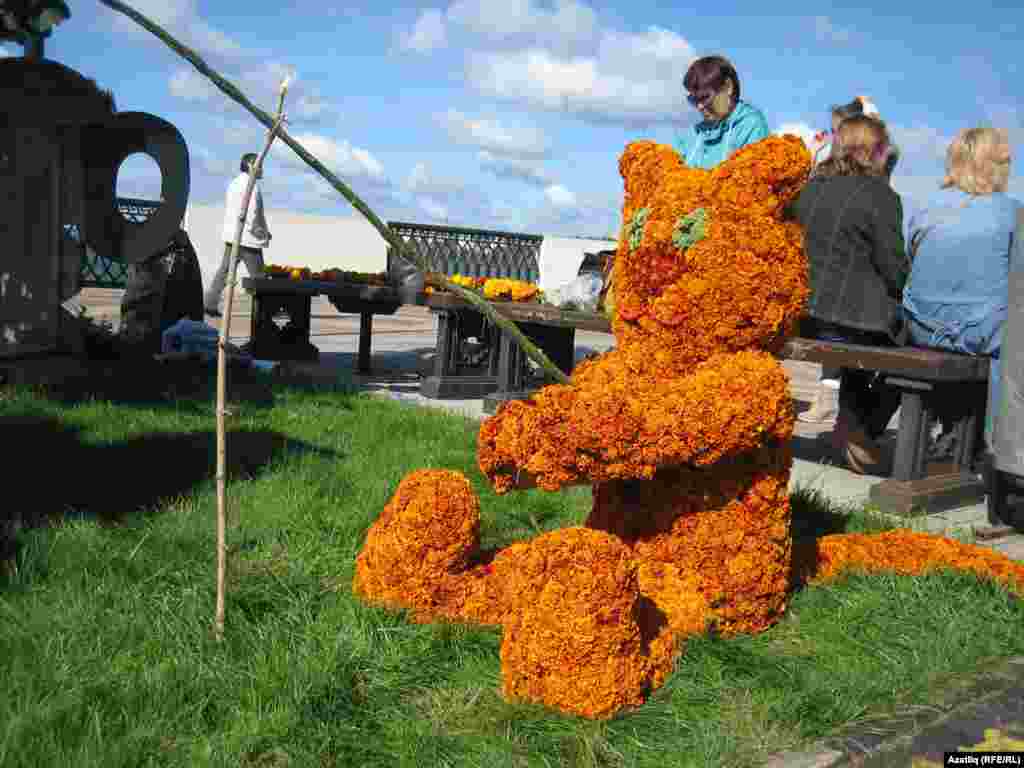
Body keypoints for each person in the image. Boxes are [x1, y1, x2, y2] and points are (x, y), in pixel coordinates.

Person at [784, 115, 910, 473]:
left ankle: (852, 424)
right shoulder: (882, 196)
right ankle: (860, 426)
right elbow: (893, 268)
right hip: (851, 319)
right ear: (874, 152)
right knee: (920, 343)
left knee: (868, 335)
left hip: (801, 316)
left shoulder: (807, 190)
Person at [903, 127, 1019, 452]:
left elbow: (911, 260)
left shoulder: (926, 208)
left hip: (920, 328)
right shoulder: (1011, 213)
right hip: (980, 334)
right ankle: (999, 445)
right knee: (1007, 335)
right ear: (997, 165)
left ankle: (955, 432)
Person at [801, 95, 891, 424]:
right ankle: (855, 419)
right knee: (863, 312)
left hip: (820, 296)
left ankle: (834, 400)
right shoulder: (875, 191)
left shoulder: (826, 178)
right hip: (841, 301)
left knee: (841, 302)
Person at [204, 152, 272, 318]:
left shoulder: (234, 183)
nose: (262, 169)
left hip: (232, 236)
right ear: (250, 165)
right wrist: (261, 232)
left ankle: (209, 303)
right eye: (260, 165)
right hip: (247, 239)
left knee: (224, 270)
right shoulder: (251, 186)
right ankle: (267, 310)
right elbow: (251, 213)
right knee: (259, 278)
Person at [676, 55, 770, 170]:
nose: (699, 106)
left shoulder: (750, 125)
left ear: (728, 87)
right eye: (694, 100)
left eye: (705, 97)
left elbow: (753, 178)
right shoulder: (694, 134)